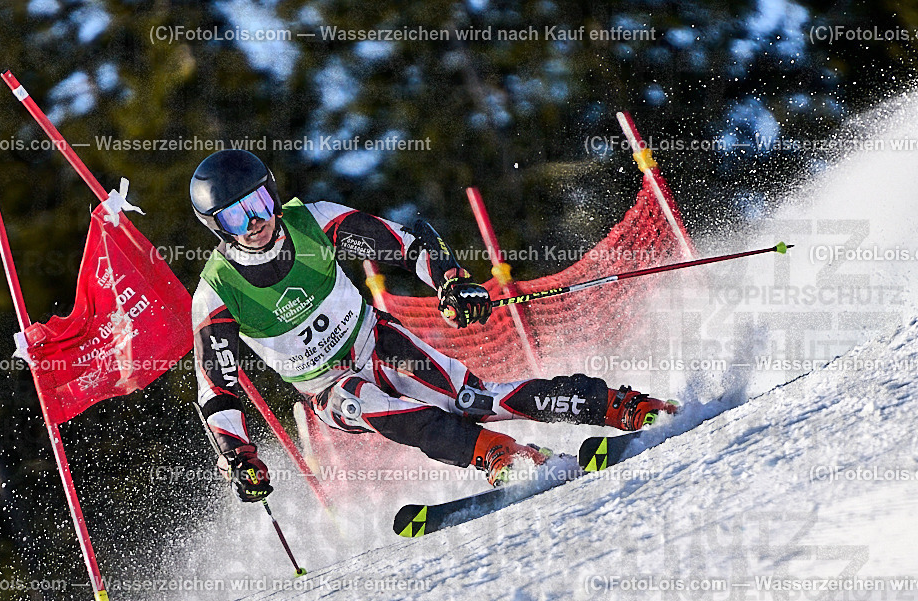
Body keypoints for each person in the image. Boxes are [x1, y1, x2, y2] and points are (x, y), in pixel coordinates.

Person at [190, 150, 676, 502]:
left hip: (377, 341)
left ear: (271, 193)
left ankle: (616, 405)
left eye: (257, 202)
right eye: (235, 216)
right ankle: (495, 454)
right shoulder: (217, 293)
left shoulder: (312, 222)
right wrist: (237, 452)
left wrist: (450, 282)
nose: (254, 221)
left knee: (474, 399)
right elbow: (218, 387)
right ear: (218, 227)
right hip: (328, 388)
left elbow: (407, 245)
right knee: (383, 409)